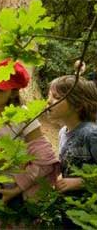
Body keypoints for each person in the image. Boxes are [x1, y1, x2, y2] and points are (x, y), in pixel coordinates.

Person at [0, 60, 60, 229]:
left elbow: (45, 158)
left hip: (20, 194)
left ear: (13, 92)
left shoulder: (23, 116)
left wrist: (18, 187)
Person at [47, 75, 97, 228]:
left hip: (89, 212)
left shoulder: (90, 133)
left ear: (78, 105)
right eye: (49, 95)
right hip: (69, 208)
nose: (49, 101)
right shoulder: (63, 131)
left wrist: (78, 182)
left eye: (56, 97)